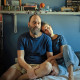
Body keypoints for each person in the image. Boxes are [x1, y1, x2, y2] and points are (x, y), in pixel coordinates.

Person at [0, 14, 59, 80]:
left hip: (40, 67)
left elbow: (50, 57)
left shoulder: (47, 39)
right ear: (29, 24)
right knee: (5, 77)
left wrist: (56, 67)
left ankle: (21, 78)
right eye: (34, 22)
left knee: (48, 67)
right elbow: (20, 58)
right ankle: (28, 75)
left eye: (38, 23)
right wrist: (29, 68)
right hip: (23, 65)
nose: (36, 25)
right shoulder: (22, 38)